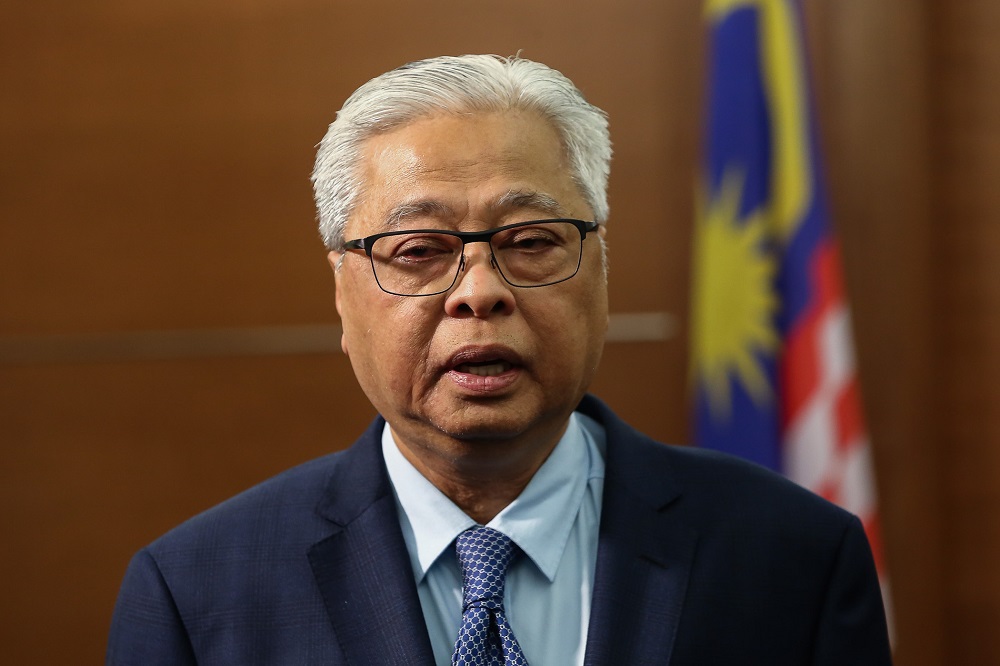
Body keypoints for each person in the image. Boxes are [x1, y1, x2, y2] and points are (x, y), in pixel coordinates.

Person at [106, 54, 892, 665]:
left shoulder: (793, 557)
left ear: (602, 275)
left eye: (531, 242)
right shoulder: (196, 594)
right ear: (343, 297)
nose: (478, 292)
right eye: (418, 250)